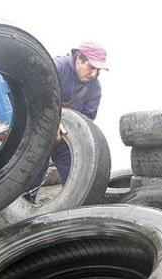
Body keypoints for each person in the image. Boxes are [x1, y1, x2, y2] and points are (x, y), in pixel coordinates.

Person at [25, 41, 107, 201]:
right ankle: (26, 203)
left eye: (98, 70)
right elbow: (34, 95)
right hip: (38, 129)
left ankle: (81, 205)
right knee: (33, 170)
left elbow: (87, 119)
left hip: (64, 136)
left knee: (74, 171)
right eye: (91, 67)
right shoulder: (57, 67)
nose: (94, 73)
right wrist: (52, 122)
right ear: (78, 59)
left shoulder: (94, 87)